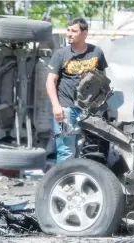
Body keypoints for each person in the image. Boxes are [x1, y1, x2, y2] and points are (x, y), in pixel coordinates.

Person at [46, 17, 108, 164]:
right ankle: (64, 185)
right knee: (66, 151)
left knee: (86, 150)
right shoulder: (60, 54)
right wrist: (56, 106)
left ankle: (80, 184)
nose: (69, 34)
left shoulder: (96, 52)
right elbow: (50, 81)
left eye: (74, 31)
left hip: (88, 111)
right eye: (68, 30)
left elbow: (103, 80)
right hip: (66, 108)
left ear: (85, 33)